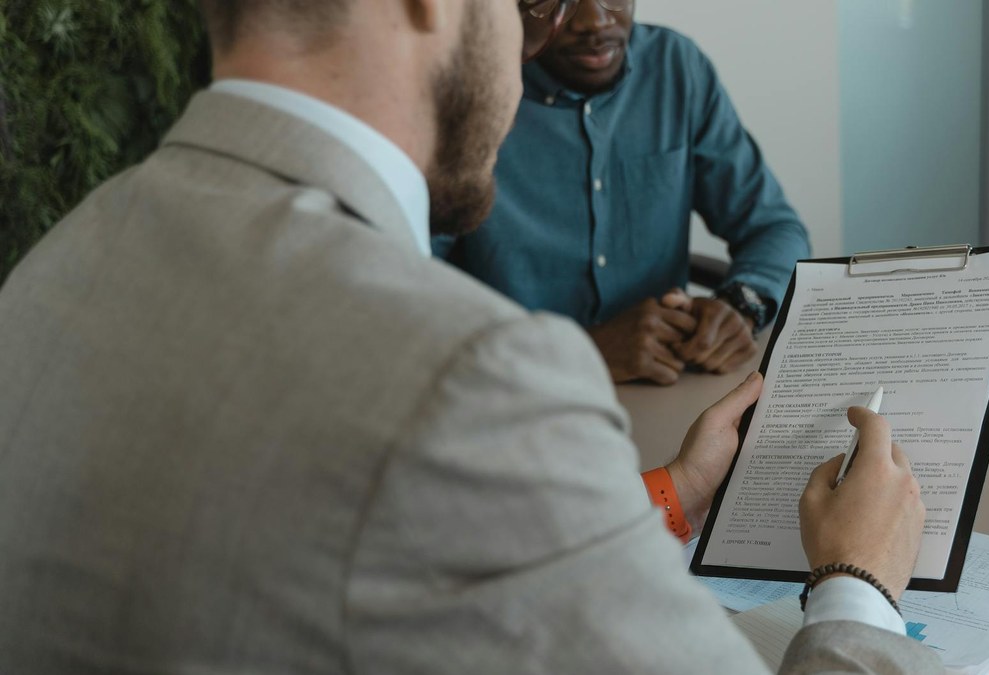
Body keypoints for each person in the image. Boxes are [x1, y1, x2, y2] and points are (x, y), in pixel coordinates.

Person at [0, 0, 938, 672]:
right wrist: (858, 581)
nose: (537, 31)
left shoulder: (51, 270)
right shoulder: (467, 380)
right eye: (526, 11)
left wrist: (670, 492)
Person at [436, 0, 811, 386]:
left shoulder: (675, 67)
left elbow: (774, 227)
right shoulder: (466, 94)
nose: (595, 21)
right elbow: (408, 288)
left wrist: (741, 304)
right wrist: (581, 351)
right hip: (515, 391)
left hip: (667, 383)